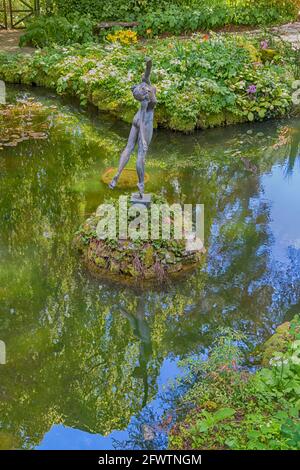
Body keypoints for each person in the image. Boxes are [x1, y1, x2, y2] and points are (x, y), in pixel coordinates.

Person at [109, 58, 157, 198]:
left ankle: (117, 174)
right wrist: (142, 139)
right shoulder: (147, 99)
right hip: (144, 123)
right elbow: (142, 121)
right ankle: (141, 185)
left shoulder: (144, 87)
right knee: (141, 156)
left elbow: (147, 74)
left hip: (135, 120)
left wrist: (149, 63)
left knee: (129, 147)